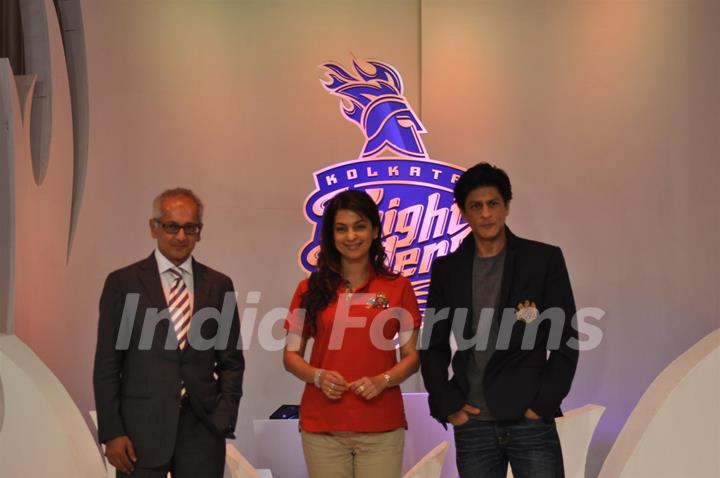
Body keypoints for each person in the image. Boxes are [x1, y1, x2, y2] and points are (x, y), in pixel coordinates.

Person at [420, 163, 578, 478]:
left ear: (506, 206)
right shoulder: (447, 269)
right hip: (473, 423)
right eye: (475, 206)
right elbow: (432, 345)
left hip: (529, 420)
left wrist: (541, 405)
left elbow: (565, 341)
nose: (486, 214)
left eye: (493, 204)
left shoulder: (543, 260)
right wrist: (449, 404)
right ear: (463, 213)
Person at [93, 188, 245, 477]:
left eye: (190, 228)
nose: (180, 236)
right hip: (138, 435)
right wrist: (111, 433)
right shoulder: (122, 283)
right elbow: (107, 365)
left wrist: (223, 417)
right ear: (154, 227)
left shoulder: (219, 285)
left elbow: (232, 362)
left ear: (199, 232)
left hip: (203, 431)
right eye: (171, 226)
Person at [283, 189, 421, 478]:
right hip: (323, 426)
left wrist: (383, 380)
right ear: (331, 236)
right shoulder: (307, 289)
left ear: (374, 231)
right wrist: (317, 376)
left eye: (360, 226)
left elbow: (411, 357)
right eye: (341, 228)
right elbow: (290, 356)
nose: (351, 236)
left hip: (381, 426)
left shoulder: (399, 287)